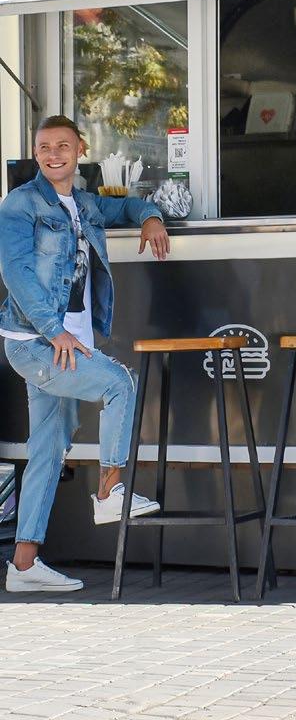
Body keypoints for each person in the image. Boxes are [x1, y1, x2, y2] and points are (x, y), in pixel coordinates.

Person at [0, 115, 171, 592]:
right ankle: (111, 489)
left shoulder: (86, 203)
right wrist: (54, 331)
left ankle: (24, 566)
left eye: (62, 146)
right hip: (37, 343)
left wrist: (151, 217)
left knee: (47, 450)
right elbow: (15, 272)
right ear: (36, 154)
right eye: (44, 147)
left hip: (69, 342)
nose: (53, 154)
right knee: (119, 383)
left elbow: (130, 205)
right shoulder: (20, 203)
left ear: (81, 150)